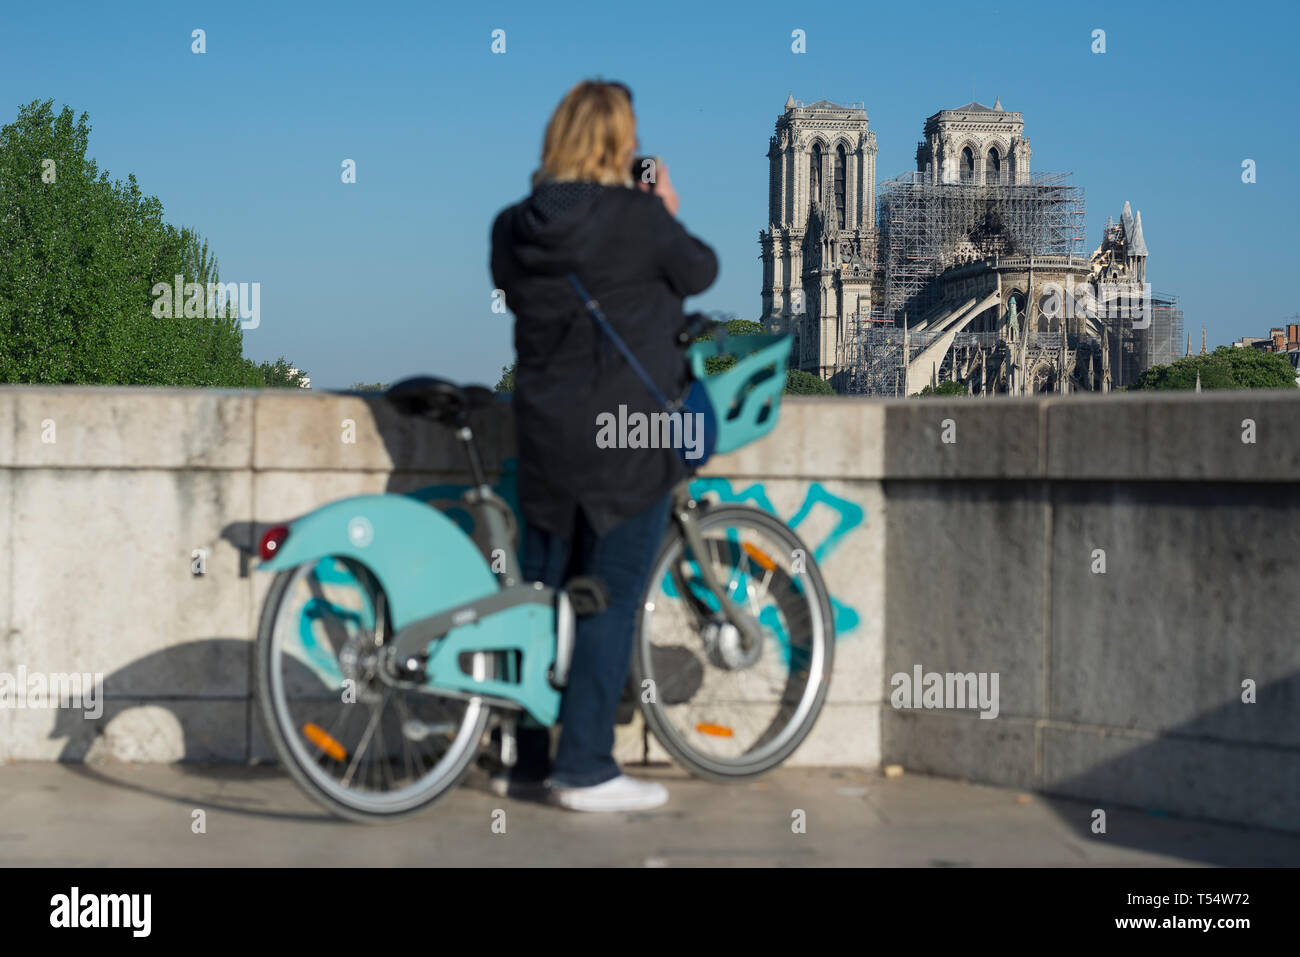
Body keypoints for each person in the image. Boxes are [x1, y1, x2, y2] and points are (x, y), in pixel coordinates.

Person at [488, 79, 718, 812]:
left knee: (540, 590)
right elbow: (701, 270)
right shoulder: (637, 218)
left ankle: (520, 758)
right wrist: (661, 205)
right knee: (609, 593)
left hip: (546, 434)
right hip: (628, 438)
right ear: (620, 144)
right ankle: (584, 765)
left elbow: (516, 283)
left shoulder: (513, 226)